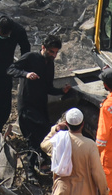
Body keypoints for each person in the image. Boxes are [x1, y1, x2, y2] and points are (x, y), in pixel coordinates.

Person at [9, 35, 68, 172]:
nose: (54, 55)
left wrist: (61, 91)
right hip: (27, 106)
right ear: (43, 48)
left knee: (44, 134)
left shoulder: (50, 64)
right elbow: (11, 69)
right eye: (51, 52)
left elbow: (48, 88)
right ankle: (30, 170)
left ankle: (40, 164)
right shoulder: (30, 58)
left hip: (40, 106)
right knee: (33, 138)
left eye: (56, 52)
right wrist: (26, 74)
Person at [40, 108, 109, 195]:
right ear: (82, 124)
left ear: (66, 124)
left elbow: (43, 144)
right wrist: (104, 192)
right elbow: (97, 173)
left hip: (62, 191)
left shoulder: (58, 141)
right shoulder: (90, 145)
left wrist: (56, 129)